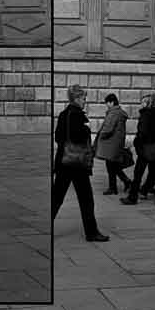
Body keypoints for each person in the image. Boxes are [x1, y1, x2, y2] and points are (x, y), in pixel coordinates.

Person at [53, 83, 109, 242]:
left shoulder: (64, 114)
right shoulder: (77, 114)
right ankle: (91, 232)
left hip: (64, 161)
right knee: (86, 199)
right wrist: (86, 128)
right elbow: (78, 137)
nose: (85, 101)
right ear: (77, 98)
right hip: (76, 163)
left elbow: (58, 137)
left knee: (57, 198)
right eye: (84, 98)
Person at [121, 92, 155, 206]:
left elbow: (142, 132)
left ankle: (133, 197)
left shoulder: (146, 114)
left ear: (147, 103)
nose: (140, 104)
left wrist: (137, 143)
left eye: (142, 102)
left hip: (146, 148)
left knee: (138, 173)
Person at [96, 92, 130, 195]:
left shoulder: (113, 113)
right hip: (116, 143)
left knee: (111, 166)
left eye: (107, 103)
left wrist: (100, 136)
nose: (106, 105)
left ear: (111, 102)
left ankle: (113, 187)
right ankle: (125, 181)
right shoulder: (119, 112)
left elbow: (108, 128)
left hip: (110, 143)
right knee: (113, 165)